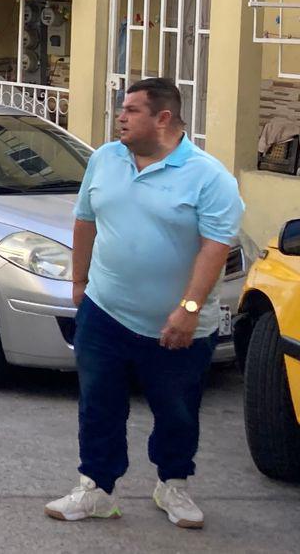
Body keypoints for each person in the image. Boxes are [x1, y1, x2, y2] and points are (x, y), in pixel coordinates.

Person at [44, 78, 243, 529]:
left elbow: (216, 247)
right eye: (121, 109)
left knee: (176, 410)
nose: (121, 117)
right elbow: (84, 219)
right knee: (98, 404)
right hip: (105, 311)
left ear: (164, 118)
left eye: (132, 110)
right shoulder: (105, 159)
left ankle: (172, 483)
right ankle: (96, 488)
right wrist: (79, 281)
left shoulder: (209, 176)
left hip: (177, 325)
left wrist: (189, 310)